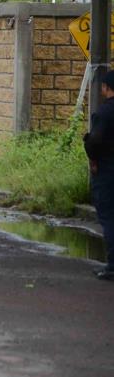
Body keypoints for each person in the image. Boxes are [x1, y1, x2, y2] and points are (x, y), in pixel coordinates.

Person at [84, 69, 114, 281]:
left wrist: (93, 159)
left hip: (107, 170)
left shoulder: (105, 113)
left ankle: (112, 265)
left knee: (109, 217)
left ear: (106, 88)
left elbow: (94, 141)